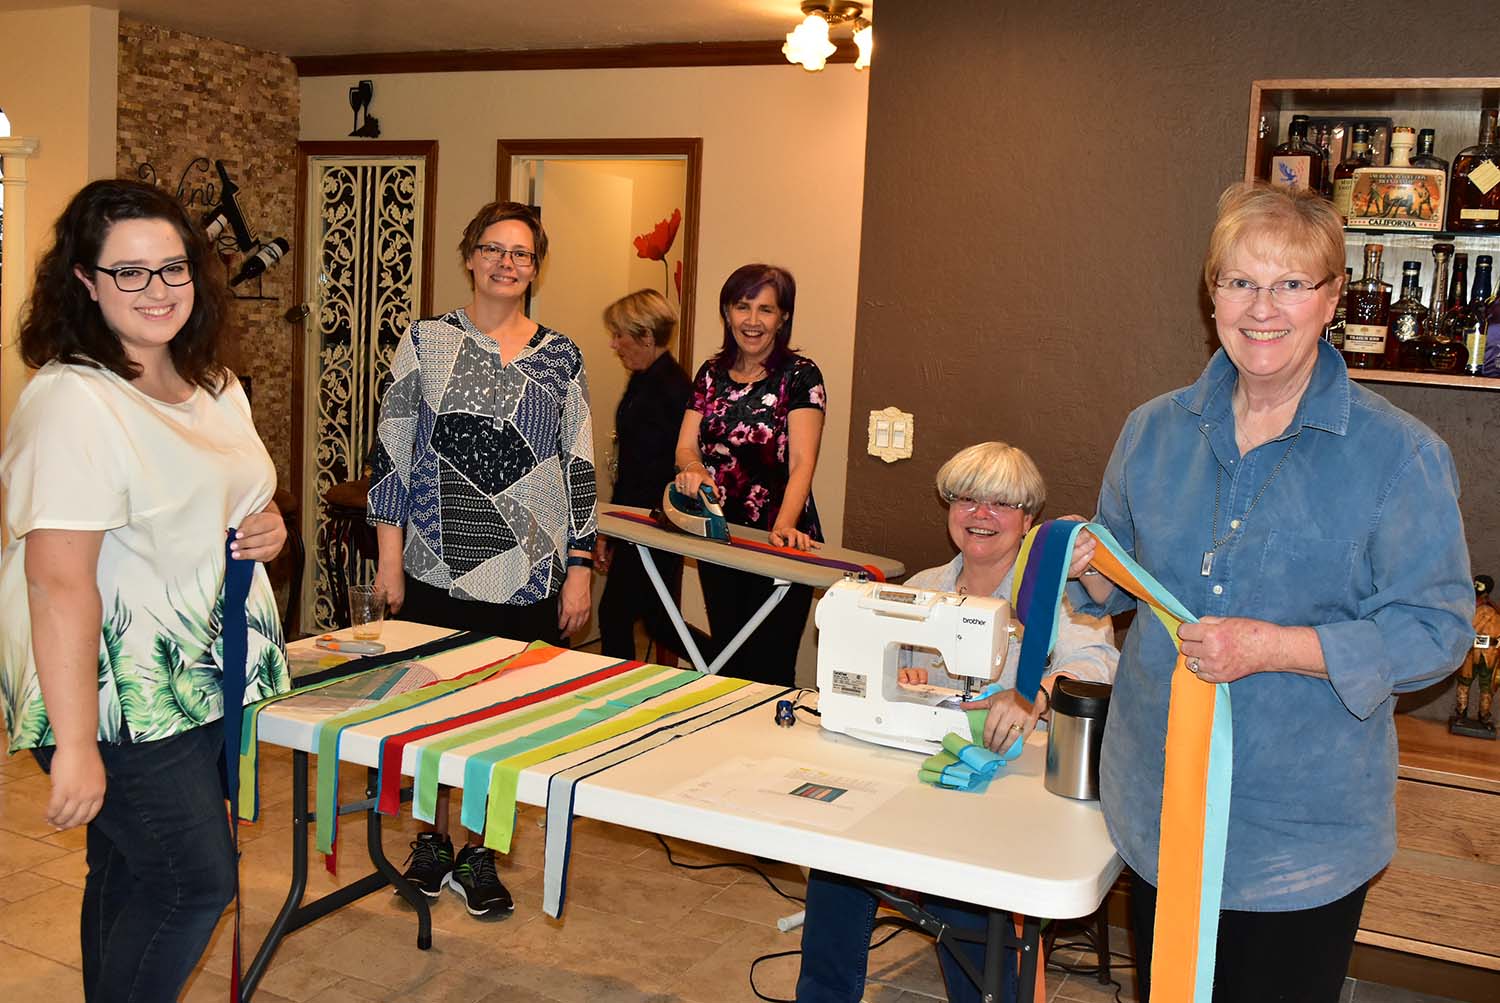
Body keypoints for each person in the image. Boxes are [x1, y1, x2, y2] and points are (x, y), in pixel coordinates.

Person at [1067, 182, 1472, 1003]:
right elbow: (1122, 580)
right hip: (1159, 806)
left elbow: (1437, 630)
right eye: (1240, 281)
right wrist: (1089, 568)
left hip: (1297, 840)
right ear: (1212, 294)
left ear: (1331, 298)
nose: (1262, 308)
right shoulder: (1152, 430)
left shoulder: (1400, 456)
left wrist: (1274, 647)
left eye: (1291, 283)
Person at [0, 178, 291, 1002]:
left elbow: (228, 494)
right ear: (85, 281)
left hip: (199, 673)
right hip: (117, 693)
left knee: (129, 865)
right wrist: (76, 743)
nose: (157, 289)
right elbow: (57, 582)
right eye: (129, 271)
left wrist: (266, 525)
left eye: (173, 267)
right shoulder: (73, 399)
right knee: (194, 879)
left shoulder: (212, 383)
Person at [795, 441, 1117, 1003]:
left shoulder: (1063, 594)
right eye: (967, 499)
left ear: (1029, 519)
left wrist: (1034, 696)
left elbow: (1096, 663)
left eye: (1001, 503)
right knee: (836, 859)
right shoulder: (923, 588)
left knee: (961, 881)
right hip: (923, 773)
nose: (981, 514)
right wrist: (903, 677)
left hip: (1016, 787)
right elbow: (887, 669)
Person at [366, 199, 597, 918]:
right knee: (433, 712)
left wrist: (580, 566)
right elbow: (393, 452)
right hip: (436, 564)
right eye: (494, 249)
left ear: (535, 267)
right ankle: (431, 843)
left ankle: (479, 854)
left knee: (503, 722)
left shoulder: (561, 355)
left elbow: (579, 464)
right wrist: (390, 560)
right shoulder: (426, 340)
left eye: (521, 253)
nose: (506, 263)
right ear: (470, 257)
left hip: (530, 572)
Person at [673, 263, 826, 685]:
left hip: (780, 540)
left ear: (783, 317)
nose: (752, 320)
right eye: (743, 307)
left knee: (769, 667)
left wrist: (784, 528)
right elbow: (685, 447)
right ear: (727, 312)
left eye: (766, 309)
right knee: (729, 664)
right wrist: (694, 469)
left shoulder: (801, 376)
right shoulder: (710, 374)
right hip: (721, 537)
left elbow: (802, 462)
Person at [594, 289, 695, 663]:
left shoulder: (671, 388)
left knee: (618, 615)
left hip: (653, 526)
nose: (613, 344)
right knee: (656, 621)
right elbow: (632, 465)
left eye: (619, 334)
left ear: (647, 336)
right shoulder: (643, 378)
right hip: (637, 522)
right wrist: (611, 530)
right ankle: (732, 665)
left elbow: (653, 471)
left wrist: (618, 529)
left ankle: (733, 666)